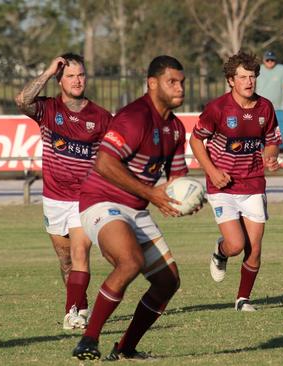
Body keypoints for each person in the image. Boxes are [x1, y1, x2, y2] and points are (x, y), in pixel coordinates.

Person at [72, 55, 193, 361]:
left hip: (136, 208)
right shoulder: (135, 117)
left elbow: (177, 177)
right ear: (152, 84)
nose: (180, 88)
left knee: (168, 282)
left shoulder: (176, 129)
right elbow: (103, 162)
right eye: (172, 82)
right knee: (130, 262)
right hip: (101, 201)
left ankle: (125, 348)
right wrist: (151, 194)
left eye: (182, 82)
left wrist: (186, 195)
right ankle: (88, 339)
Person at [15, 53, 112, 330]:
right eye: (70, 75)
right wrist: (46, 72)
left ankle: (72, 313)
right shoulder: (47, 109)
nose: (77, 80)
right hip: (54, 199)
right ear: (60, 80)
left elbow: (115, 154)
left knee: (81, 253)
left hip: (86, 198)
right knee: (66, 261)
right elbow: (22, 101)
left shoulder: (101, 117)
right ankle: (80, 304)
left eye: (81, 74)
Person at [189, 51, 281, 312]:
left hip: (253, 183)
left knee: (254, 249)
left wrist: (270, 157)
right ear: (231, 80)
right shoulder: (217, 109)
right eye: (242, 77)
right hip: (223, 186)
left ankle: (243, 299)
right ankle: (220, 252)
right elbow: (196, 141)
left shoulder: (265, 108)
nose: (249, 82)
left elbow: (272, 140)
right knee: (236, 245)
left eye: (252, 76)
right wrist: (213, 172)